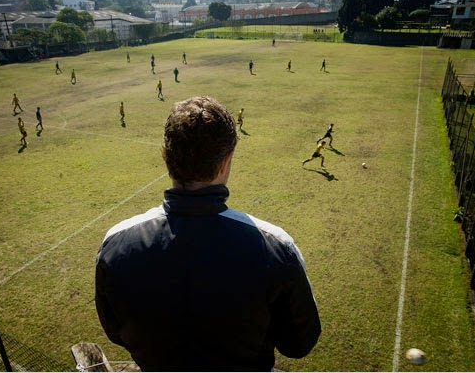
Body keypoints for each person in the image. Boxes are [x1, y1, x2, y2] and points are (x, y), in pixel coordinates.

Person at [95, 96, 321, 371]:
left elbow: (116, 332)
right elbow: (299, 344)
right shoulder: (277, 247)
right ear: (226, 162)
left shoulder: (115, 244)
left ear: (166, 156)